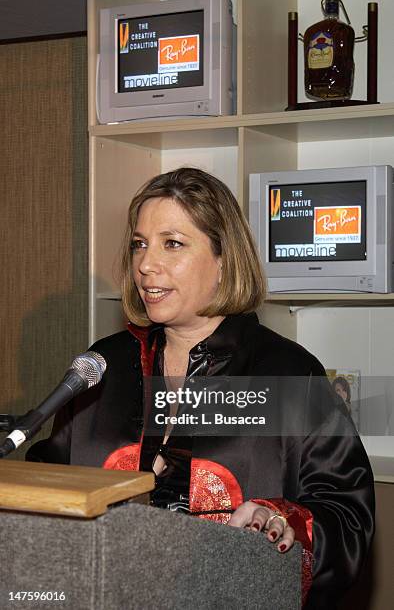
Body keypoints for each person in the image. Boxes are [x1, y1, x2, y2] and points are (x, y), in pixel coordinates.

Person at [27, 167, 374, 609]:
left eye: (172, 244)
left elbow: (348, 518)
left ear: (224, 258)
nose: (146, 265)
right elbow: (49, 480)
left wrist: (284, 520)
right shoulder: (103, 364)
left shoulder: (291, 373)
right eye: (140, 244)